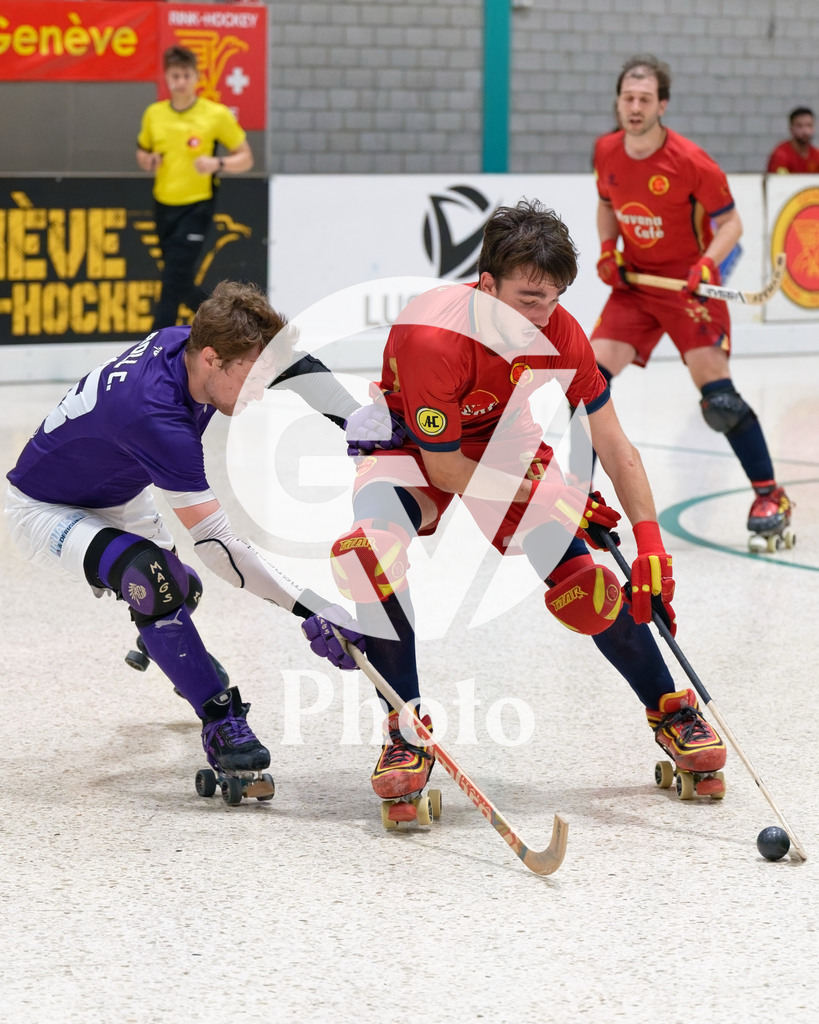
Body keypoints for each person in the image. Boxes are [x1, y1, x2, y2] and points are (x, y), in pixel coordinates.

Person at [329, 198, 726, 810]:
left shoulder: (560, 330)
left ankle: (671, 710)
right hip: (412, 441)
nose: (543, 317)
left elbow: (613, 442)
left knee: (586, 587)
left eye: (554, 299)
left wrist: (651, 545)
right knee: (371, 556)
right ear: (487, 286)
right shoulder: (435, 337)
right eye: (528, 299)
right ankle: (405, 730)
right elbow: (446, 469)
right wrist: (559, 494)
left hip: (505, 442)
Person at [4, 280, 367, 789]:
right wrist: (312, 608)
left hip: (119, 489)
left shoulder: (194, 343)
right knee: (153, 582)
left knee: (180, 589)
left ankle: (165, 644)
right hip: (46, 508)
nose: (260, 392)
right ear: (213, 359)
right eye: (252, 378)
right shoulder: (156, 417)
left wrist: (360, 421)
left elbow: (296, 365)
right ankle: (220, 721)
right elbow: (219, 548)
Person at [591, 54, 792, 544]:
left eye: (644, 99)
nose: (634, 107)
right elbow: (606, 205)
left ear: (662, 105)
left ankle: (770, 495)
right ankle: (579, 497)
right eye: (627, 98)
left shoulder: (691, 161)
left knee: (720, 401)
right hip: (636, 286)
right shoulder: (606, 150)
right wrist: (607, 249)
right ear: (617, 102)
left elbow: (731, 224)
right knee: (587, 388)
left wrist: (707, 263)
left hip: (688, 289)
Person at [136, 45, 254, 331]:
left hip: (196, 206)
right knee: (179, 282)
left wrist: (218, 163)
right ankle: (231, 324)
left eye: (186, 76)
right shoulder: (154, 114)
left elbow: (246, 158)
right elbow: (142, 152)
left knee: (172, 279)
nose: (180, 82)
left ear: (196, 77)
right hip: (164, 204)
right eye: (175, 76)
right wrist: (148, 160)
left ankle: (155, 340)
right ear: (166, 77)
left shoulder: (215, 114)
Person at [766, 107, 819, 174]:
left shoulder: (816, 155)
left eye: (809, 125)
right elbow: (780, 179)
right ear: (791, 129)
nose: (805, 131)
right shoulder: (781, 154)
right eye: (799, 126)